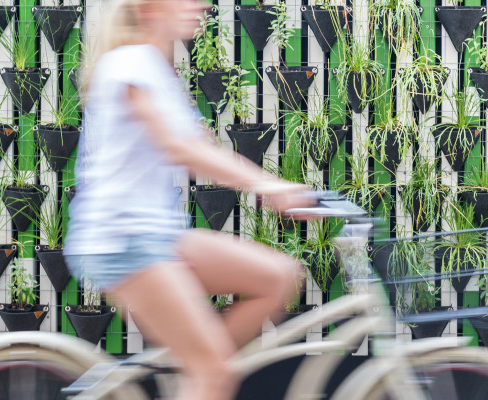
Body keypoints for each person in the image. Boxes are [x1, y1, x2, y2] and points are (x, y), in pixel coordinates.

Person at [65, 0, 313, 399]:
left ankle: (199, 372)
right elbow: (180, 148)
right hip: (124, 240)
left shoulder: (159, 71)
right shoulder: (133, 62)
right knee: (212, 369)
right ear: (148, 8)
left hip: (158, 235)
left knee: (278, 277)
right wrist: (269, 186)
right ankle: (204, 372)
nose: (199, 5)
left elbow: (201, 147)